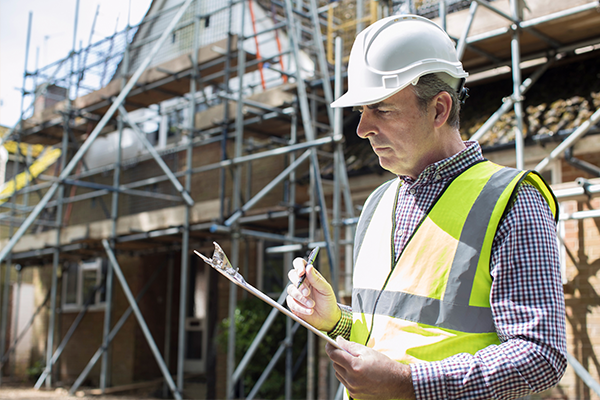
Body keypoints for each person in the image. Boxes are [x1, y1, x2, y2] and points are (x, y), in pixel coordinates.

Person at [286, 14, 567, 400]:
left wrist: (409, 382)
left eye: (381, 109)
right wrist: (335, 319)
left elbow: (541, 355)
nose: (361, 128)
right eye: (361, 111)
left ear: (438, 109)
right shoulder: (378, 203)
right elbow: (392, 334)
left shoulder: (512, 201)